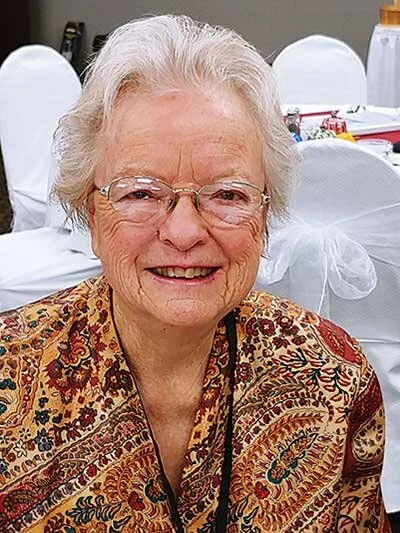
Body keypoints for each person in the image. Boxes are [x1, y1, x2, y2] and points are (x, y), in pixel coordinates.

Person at [0, 15, 391, 532]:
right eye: (141, 192)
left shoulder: (334, 381)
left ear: (265, 217)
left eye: (227, 194)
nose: (184, 232)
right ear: (91, 216)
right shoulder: (8, 377)